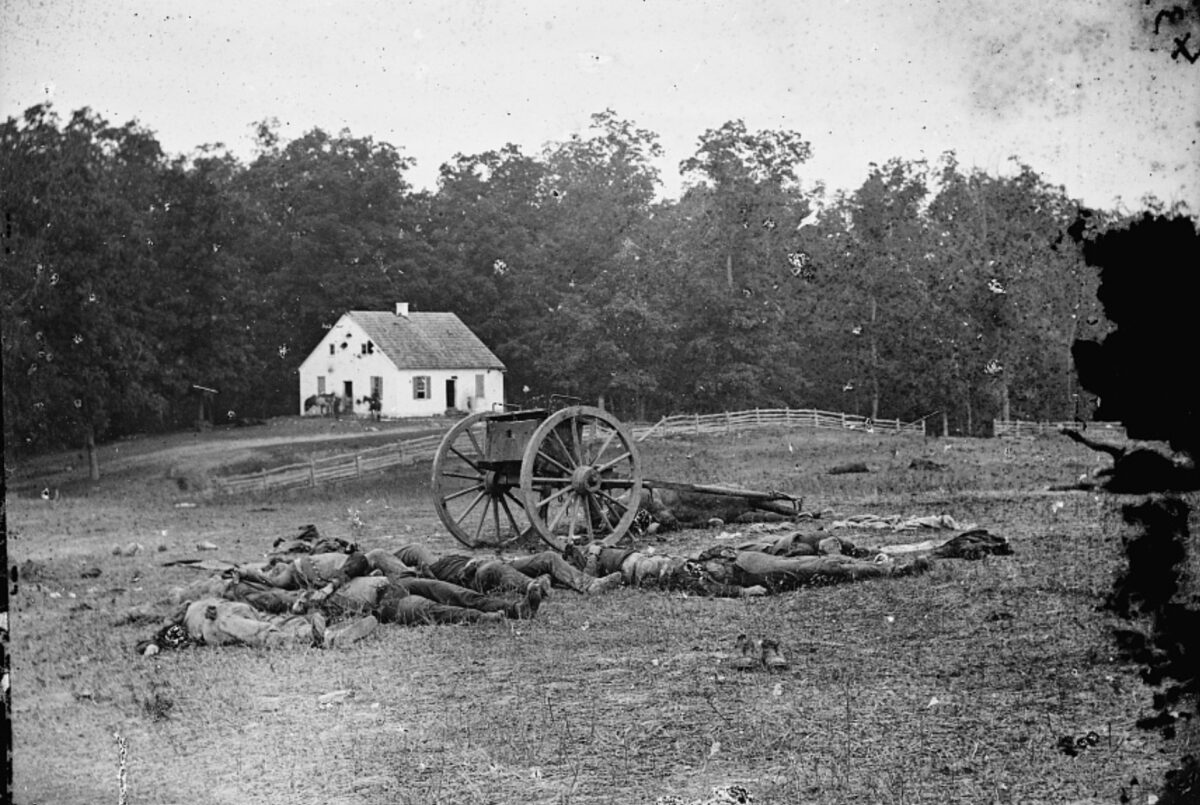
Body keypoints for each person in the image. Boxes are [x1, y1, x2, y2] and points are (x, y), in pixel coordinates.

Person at [392, 543, 623, 595]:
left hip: (489, 562)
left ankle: (589, 584)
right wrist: (417, 574)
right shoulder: (430, 578)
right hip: (477, 576)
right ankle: (536, 587)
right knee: (493, 568)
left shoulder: (431, 559)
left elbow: (410, 551)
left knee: (549, 556)